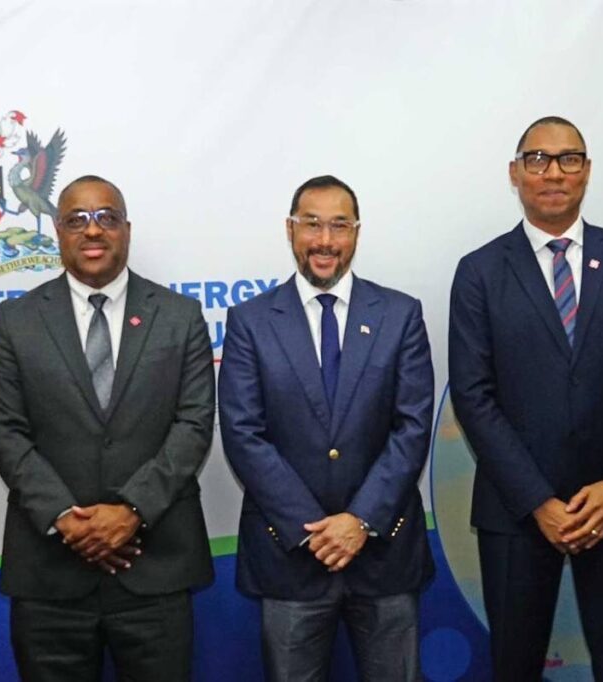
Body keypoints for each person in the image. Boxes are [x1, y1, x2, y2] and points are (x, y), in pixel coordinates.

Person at [448, 117, 603, 681]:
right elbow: (473, 395)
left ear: (586, 171)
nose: (553, 172)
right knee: (514, 665)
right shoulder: (480, 272)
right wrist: (538, 501)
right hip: (518, 510)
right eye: (537, 159)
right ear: (515, 173)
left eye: (568, 159)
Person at [0, 175, 215, 681]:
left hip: (155, 571)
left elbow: (194, 424)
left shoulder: (179, 317)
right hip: (49, 575)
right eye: (77, 220)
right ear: (57, 232)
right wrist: (66, 516)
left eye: (107, 218)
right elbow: (5, 430)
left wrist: (132, 511)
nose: (94, 231)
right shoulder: (15, 321)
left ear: (126, 230)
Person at [218, 175, 434, 681]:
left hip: (383, 552)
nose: (325, 241)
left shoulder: (400, 315)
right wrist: (314, 531)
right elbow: (243, 433)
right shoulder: (251, 321)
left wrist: (359, 520)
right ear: (290, 230)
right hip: (290, 554)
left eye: (339, 225)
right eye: (311, 224)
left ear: (357, 233)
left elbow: (413, 426)